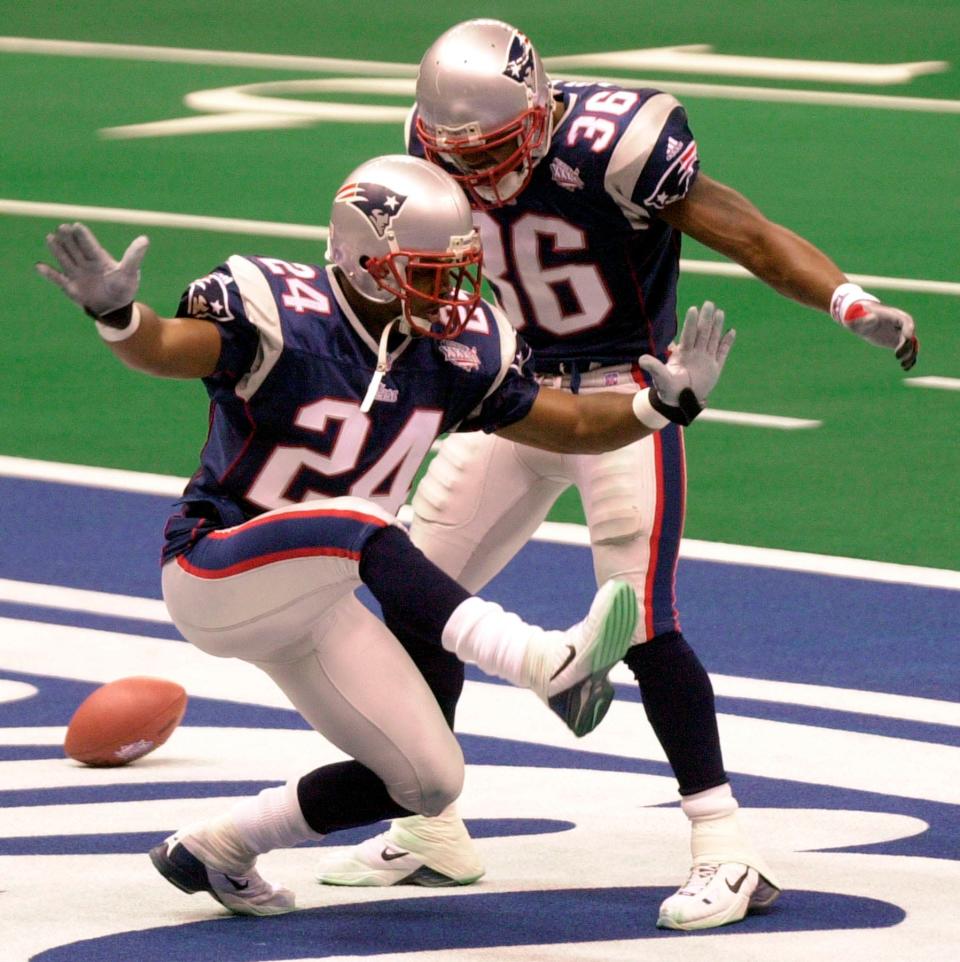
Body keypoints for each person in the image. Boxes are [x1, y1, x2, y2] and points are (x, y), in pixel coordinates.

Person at [315, 21, 920, 932]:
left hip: (627, 393)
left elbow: (746, 232)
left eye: (489, 150)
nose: (475, 173)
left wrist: (847, 298)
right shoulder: (427, 141)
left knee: (639, 619)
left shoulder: (621, 145)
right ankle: (430, 826)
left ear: (538, 110)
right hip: (510, 395)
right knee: (418, 603)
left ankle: (727, 849)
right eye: (455, 155)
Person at [36, 153, 736, 916]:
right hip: (217, 566)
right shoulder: (276, 308)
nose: (454, 293)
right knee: (366, 519)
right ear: (366, 262)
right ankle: (542, 664)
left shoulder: (454, 345)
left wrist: (654, 409)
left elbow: (565, 422)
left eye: (458, 270)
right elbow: (167, 349)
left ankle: (218, 847)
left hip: (320, 597)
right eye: (430, 272)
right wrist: (118, 318)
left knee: (428, 781)